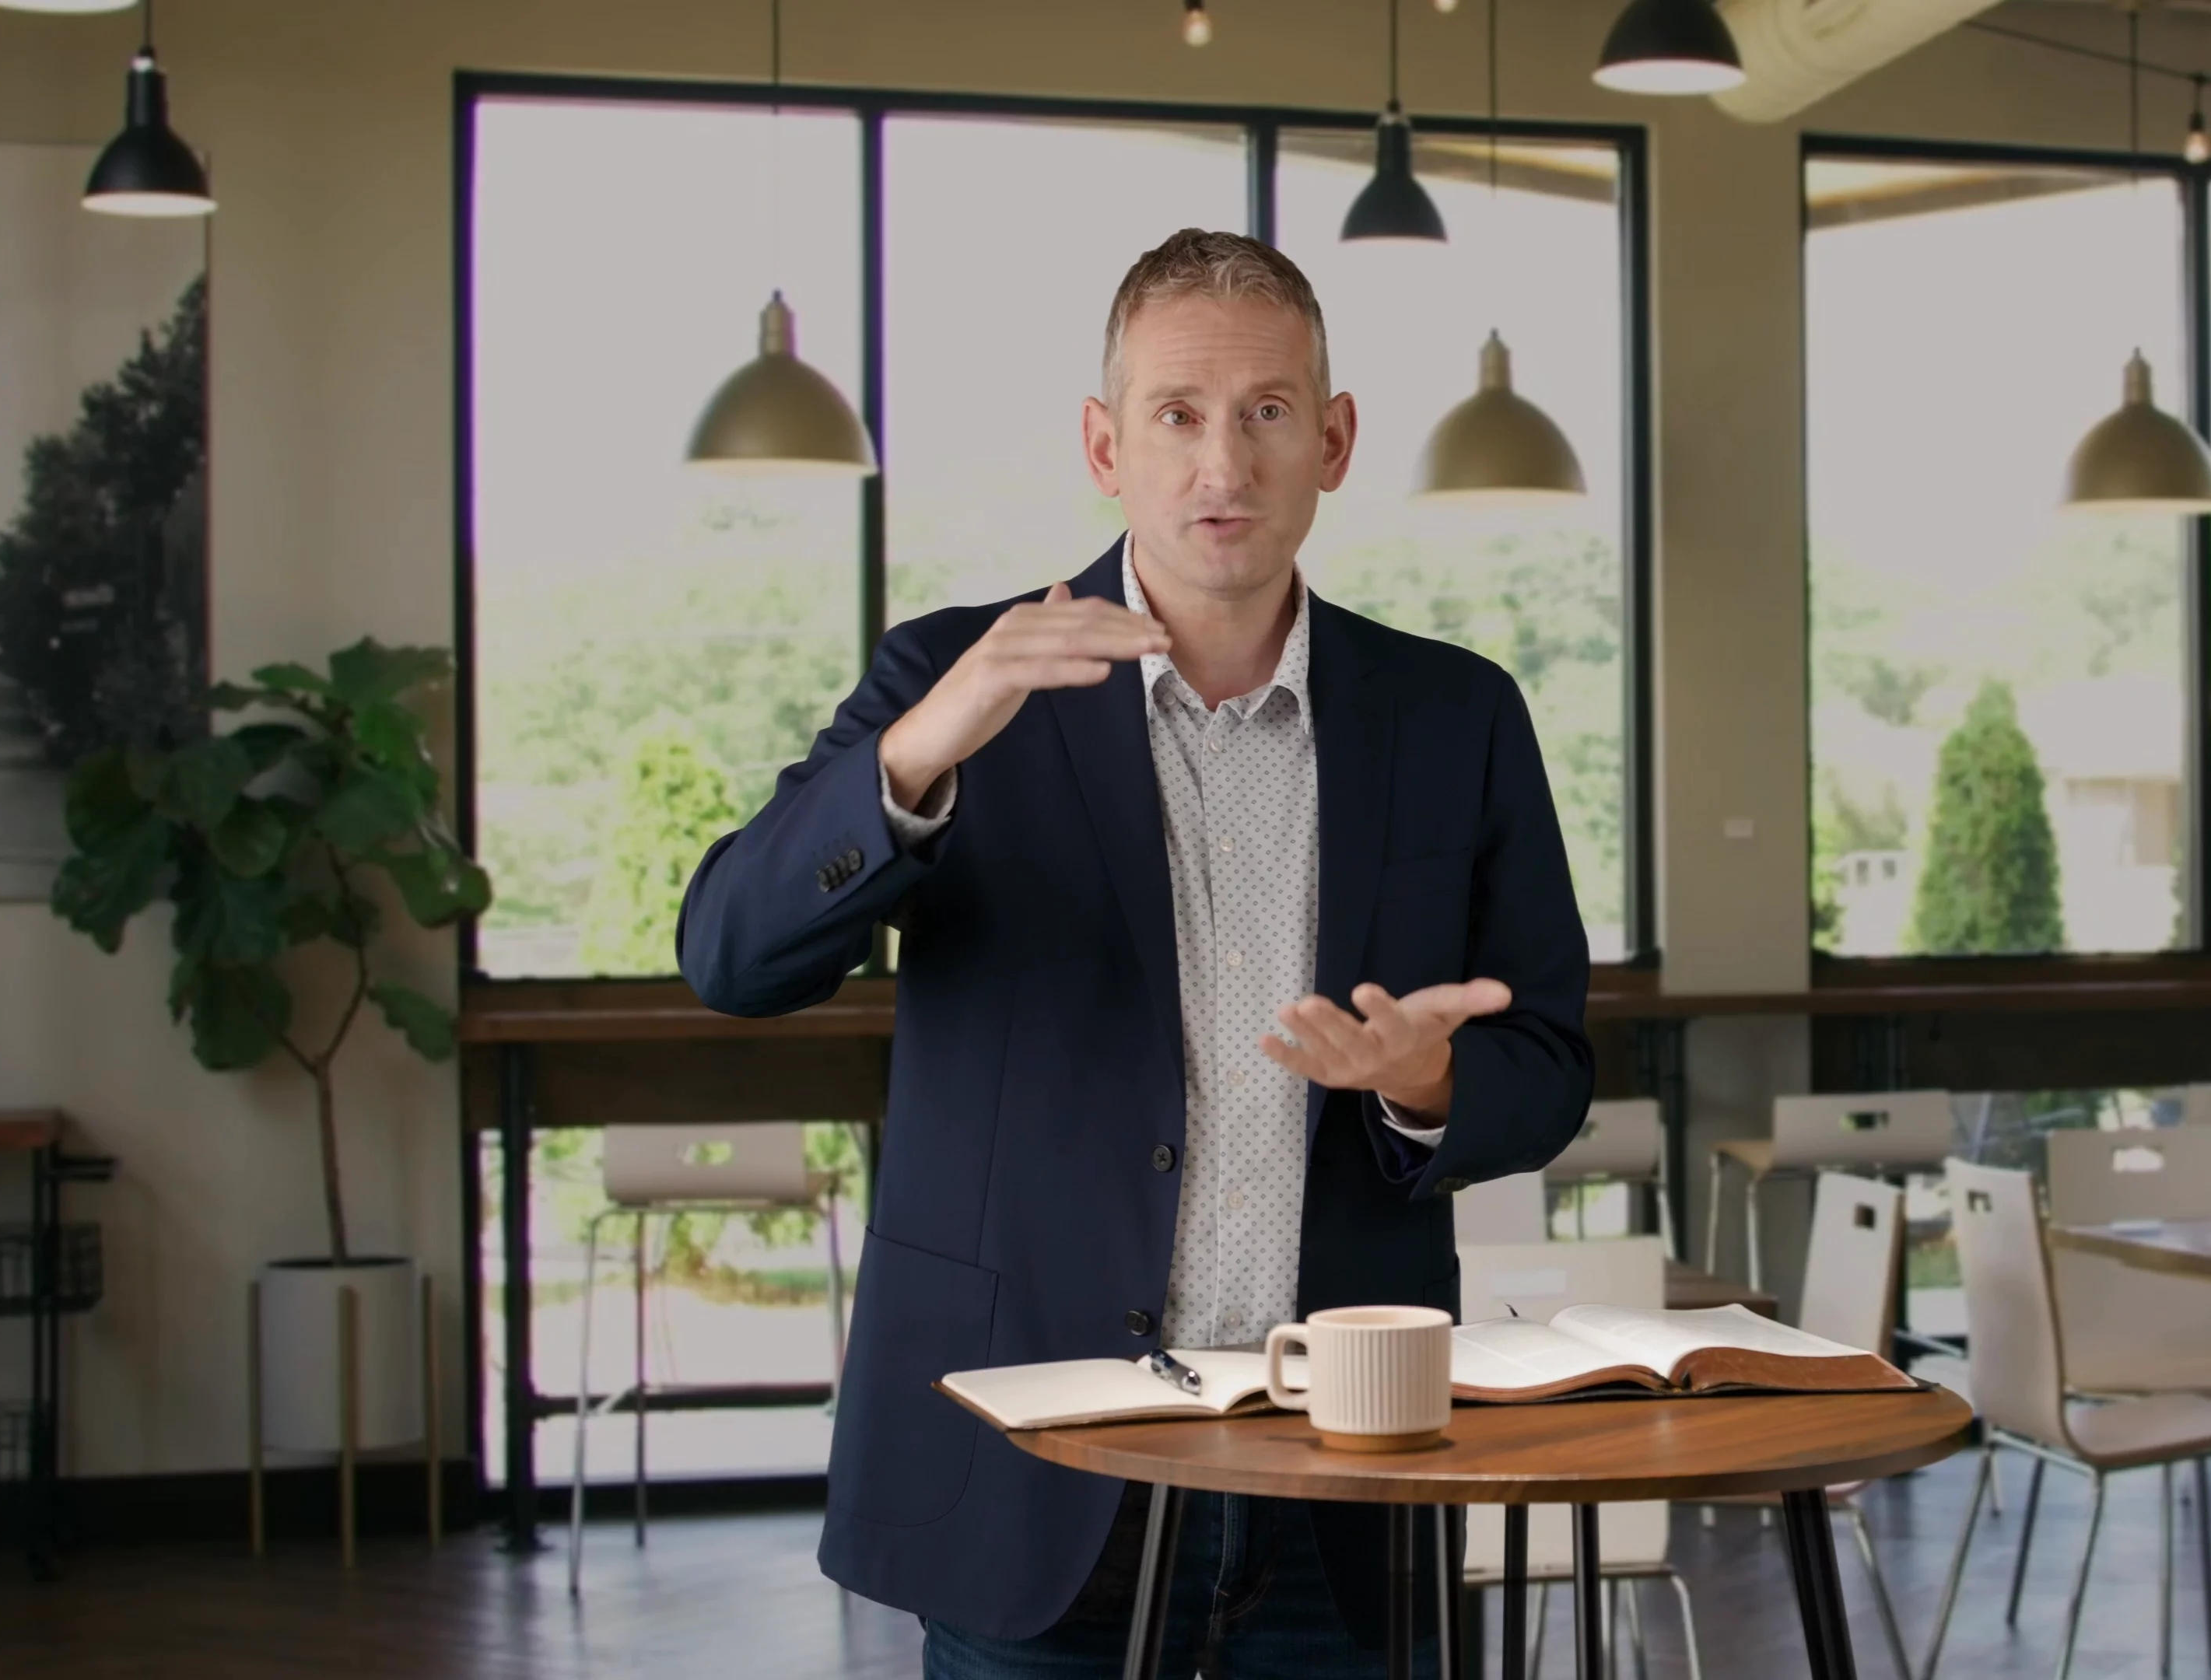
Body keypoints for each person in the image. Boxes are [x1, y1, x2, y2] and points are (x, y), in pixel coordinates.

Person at [676, 228, 1592, 1677]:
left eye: (1268, 411)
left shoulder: (1458, 715)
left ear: (1335, 441)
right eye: (1176, 414)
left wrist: (1427, 1082)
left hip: (1349, 1477)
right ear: (1106, 446)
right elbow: (732, 958)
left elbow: (1548, 1068)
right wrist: (915, 756)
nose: (1223, 463)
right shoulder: (952, 681)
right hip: (1038, 1463)